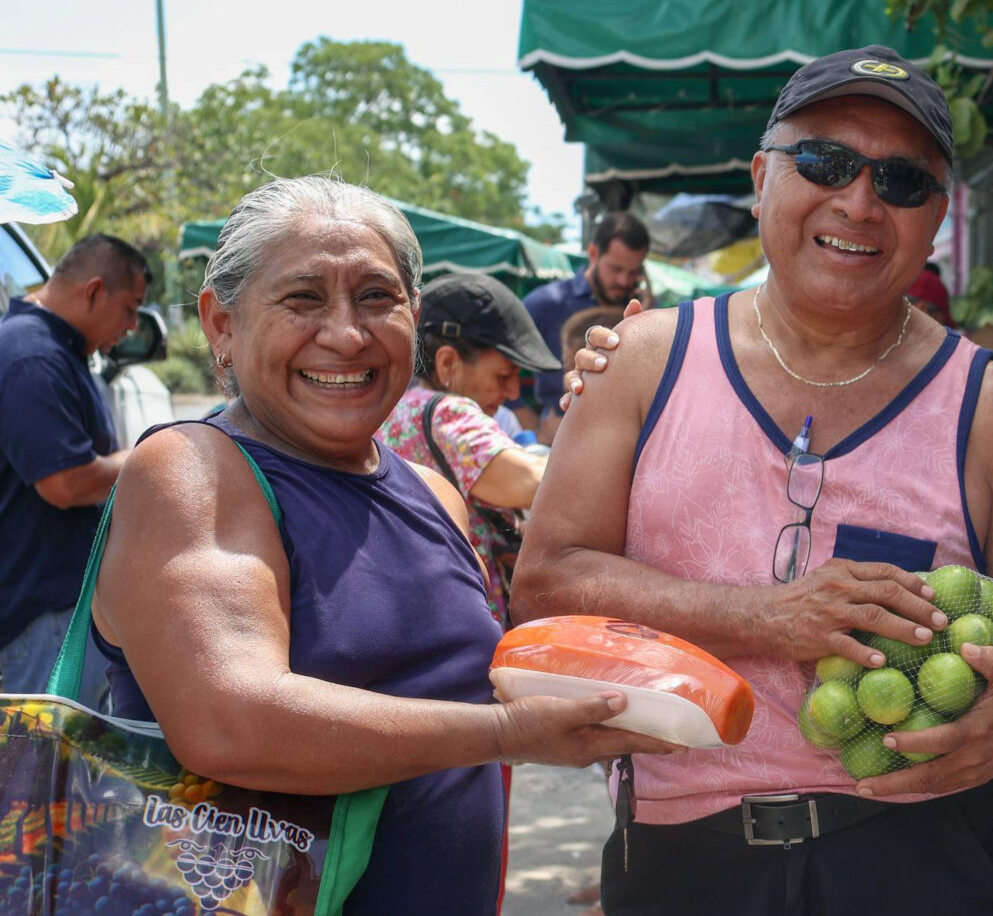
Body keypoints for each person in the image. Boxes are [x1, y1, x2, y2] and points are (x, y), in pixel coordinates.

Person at [514, 44, 993, 916]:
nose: (859, 202)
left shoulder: (989, 408)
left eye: (901, 181)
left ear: (936, 220)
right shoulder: (643, 362)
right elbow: (544, 584)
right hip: (683, 856)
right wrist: (766, 616)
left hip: (916, 855)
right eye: (825, 162)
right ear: (762, 178)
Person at [87, 176, 679, 915]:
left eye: (376, 297)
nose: (346, 334)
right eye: (303, 299)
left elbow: (472, 676)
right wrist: (506, 734)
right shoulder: (191, 471)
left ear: (414, 317)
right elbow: (230, 723)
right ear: (221, 324)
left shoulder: (434, 494)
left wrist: (622, 407)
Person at [0, 233, 148, 698]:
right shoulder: (31, 354)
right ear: (94, 291)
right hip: (43, 615)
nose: (132, 326)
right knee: (54, 746)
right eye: (130, 308)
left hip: (63, 608)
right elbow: (64, 483)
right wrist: (145, 456)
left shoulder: (57, 348)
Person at [378, 272, 563, 625]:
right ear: (448, 363)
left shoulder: (396, 410)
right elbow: (538, 483)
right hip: (467, 622)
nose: (513, 393)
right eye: (503, 376)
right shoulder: (448, 413)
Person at [522, 212, 654, 431]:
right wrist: (532, 426)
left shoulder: (642, 308)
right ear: (593, 254)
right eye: (616, 269)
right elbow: (497, 359)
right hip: (556, 431)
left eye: (634, 272)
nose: (624, 281)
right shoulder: (547, 303)